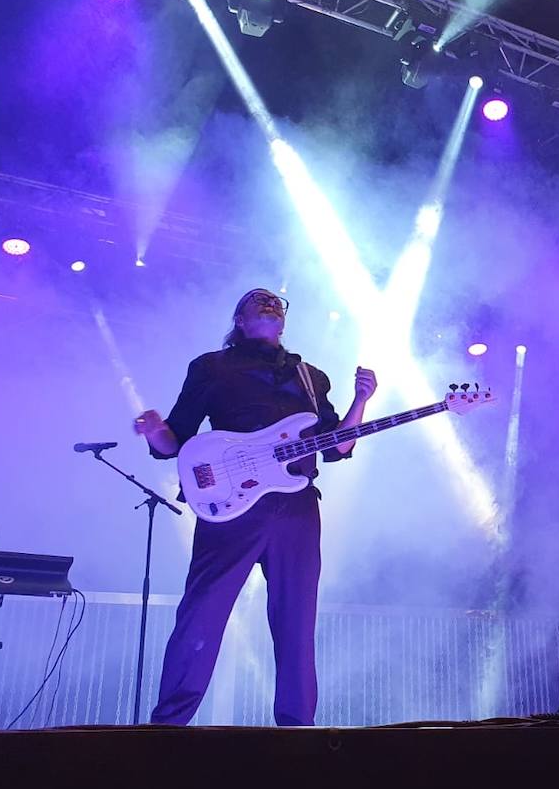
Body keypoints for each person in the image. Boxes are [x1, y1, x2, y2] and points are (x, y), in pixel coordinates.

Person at [134, 288, 377, 726]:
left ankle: (298, 730)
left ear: (283, 320)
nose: (269, 303)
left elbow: (336, 447)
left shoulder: (310, 377)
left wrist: (361, 402)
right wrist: (154, 431)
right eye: (257, 301)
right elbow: (176, 440)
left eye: (275, 302)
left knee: (296, 620)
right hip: (232, 507)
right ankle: (167, 727)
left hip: (297, 508)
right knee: (202, 612)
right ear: (240, 321)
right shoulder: (211, 366)